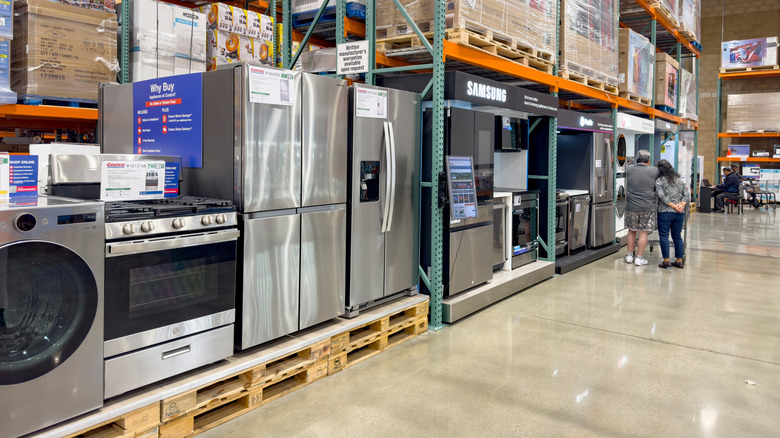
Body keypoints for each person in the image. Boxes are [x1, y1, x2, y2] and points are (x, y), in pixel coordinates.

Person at [624, 149, 658, 266]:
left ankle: (629, 256)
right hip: (647, 206)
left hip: (631, 206)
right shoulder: (654, 170)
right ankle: (639, 258)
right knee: (643, 233)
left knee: (631, 230)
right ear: (648, 160)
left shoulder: (629, 169)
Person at [655, 160, 689, 269]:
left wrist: (673, 206)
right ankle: (679, 260)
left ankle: (666, 260)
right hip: (679, 213)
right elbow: (686, 194)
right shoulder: (679, 180)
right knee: (677, 236)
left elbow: (661, 196)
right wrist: (681, 205)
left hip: (665, 212)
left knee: (664, 235)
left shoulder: (660, 181)